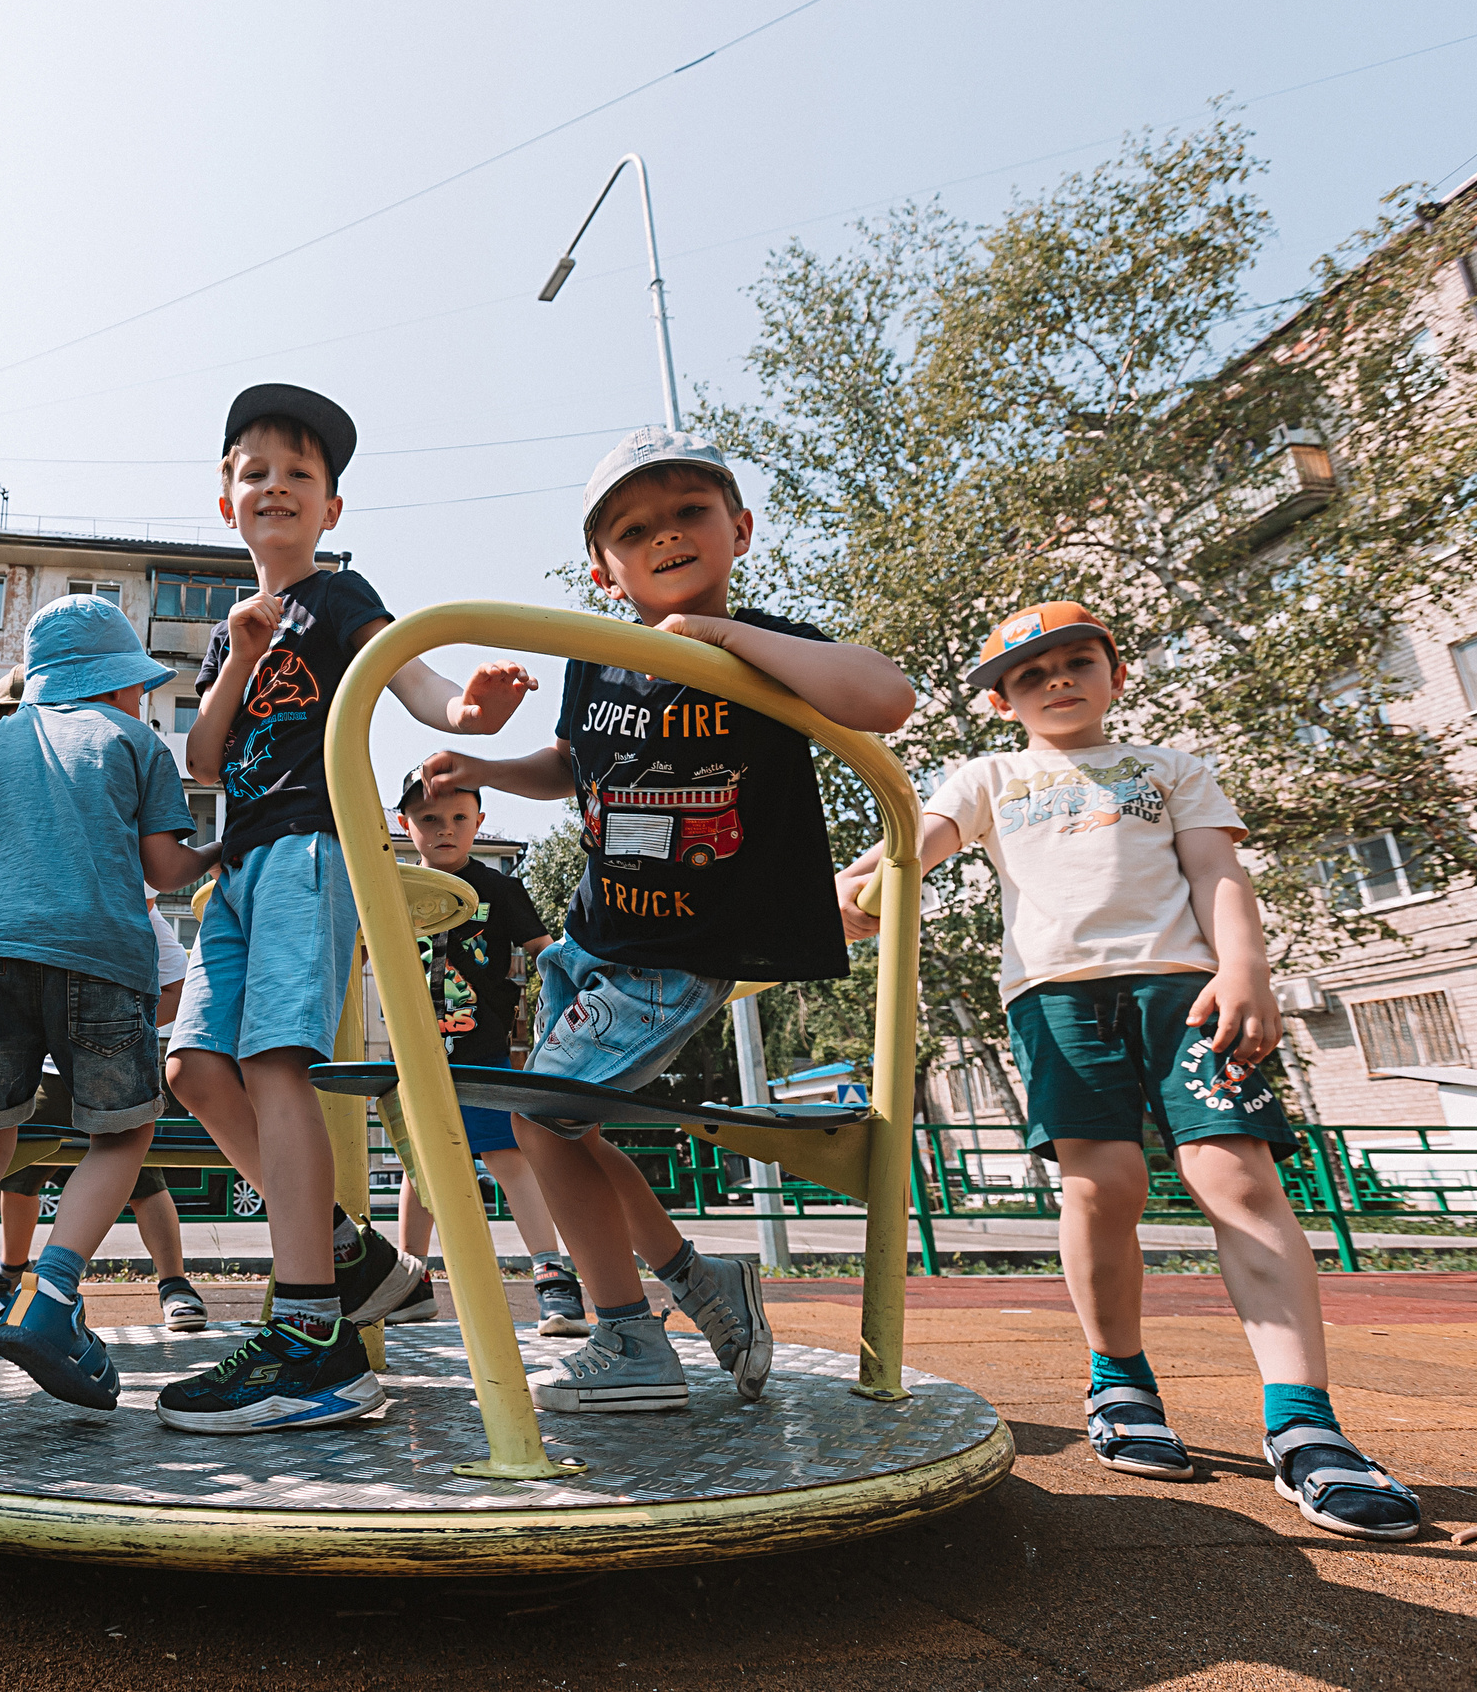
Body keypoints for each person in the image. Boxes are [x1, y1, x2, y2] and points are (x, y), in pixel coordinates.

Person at [835, 601, 1422, 1541]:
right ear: (1001, 701)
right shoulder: (991, 774)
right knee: (1102, 1184)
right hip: (1056, 996)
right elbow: (918, 840)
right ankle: (1121, 1382)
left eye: (1077, 661)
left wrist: (1248, 969)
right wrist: (858, 882)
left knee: (1236, 1175)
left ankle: (1307, 1423)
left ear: (1116, 672)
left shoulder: (1170, 769)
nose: (1058, 680)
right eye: (1032, 674)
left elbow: (1215, 872)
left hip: (1185, 990)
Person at [421, 427, 913, 1414]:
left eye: (689, 512)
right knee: (569, 1131)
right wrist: (485, 770)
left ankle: (630, 1340)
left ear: (738, 528)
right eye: (634, 529)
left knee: (541, 1120)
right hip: (594, 937)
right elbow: (572, 768)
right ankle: (697, 1283)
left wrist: (729, 642)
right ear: (606, 571)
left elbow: (885, 697)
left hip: (678, 951)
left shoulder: (766, 651)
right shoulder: (595, 660)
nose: (666, 537)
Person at [158, 383, 537, 1435]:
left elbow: (414, 685)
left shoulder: (338, 596)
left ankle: (313, 1336)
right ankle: (355, 1258)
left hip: (310, 847)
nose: (274, 485)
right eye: (255, 471)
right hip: (236, 863)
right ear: (225, 497)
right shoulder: (233, 630)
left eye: (299, 474)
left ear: (330, 507)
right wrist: (237, 651)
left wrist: (474, 711)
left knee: (277, 1059)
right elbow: (200, 757)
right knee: (191, 1069)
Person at [0, 596, 216, 1429]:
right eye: (138, 686)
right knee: (122, 1133)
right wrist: (228, 845)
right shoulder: (135, 741)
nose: (142, 700)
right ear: (115, 688)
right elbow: (166, 868)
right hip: (99, 956)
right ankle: (51, 1291)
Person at [382, 761, 582, 1336]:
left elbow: (547, 953)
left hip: (482, 1042)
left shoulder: (498, 889)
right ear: (406, 823)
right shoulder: (391, 890)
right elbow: (361, 956)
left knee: (505, 1154)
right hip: (411, 1047)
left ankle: (551, 1275)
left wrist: (565, 1020)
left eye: (458, 818)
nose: (445, 828)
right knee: (420, 1167)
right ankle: (411, 1282)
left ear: (478, 823)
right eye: (429, 818)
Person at [0, 889, 208, 1336]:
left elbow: (180, 988)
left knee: (140, 1173)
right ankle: (11, 1271)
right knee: (15, 1170)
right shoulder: (57, 902)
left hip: (105, 1061)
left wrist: (126, 1026)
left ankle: (173, 1281)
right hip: (45, 1070)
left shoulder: (146, 922)